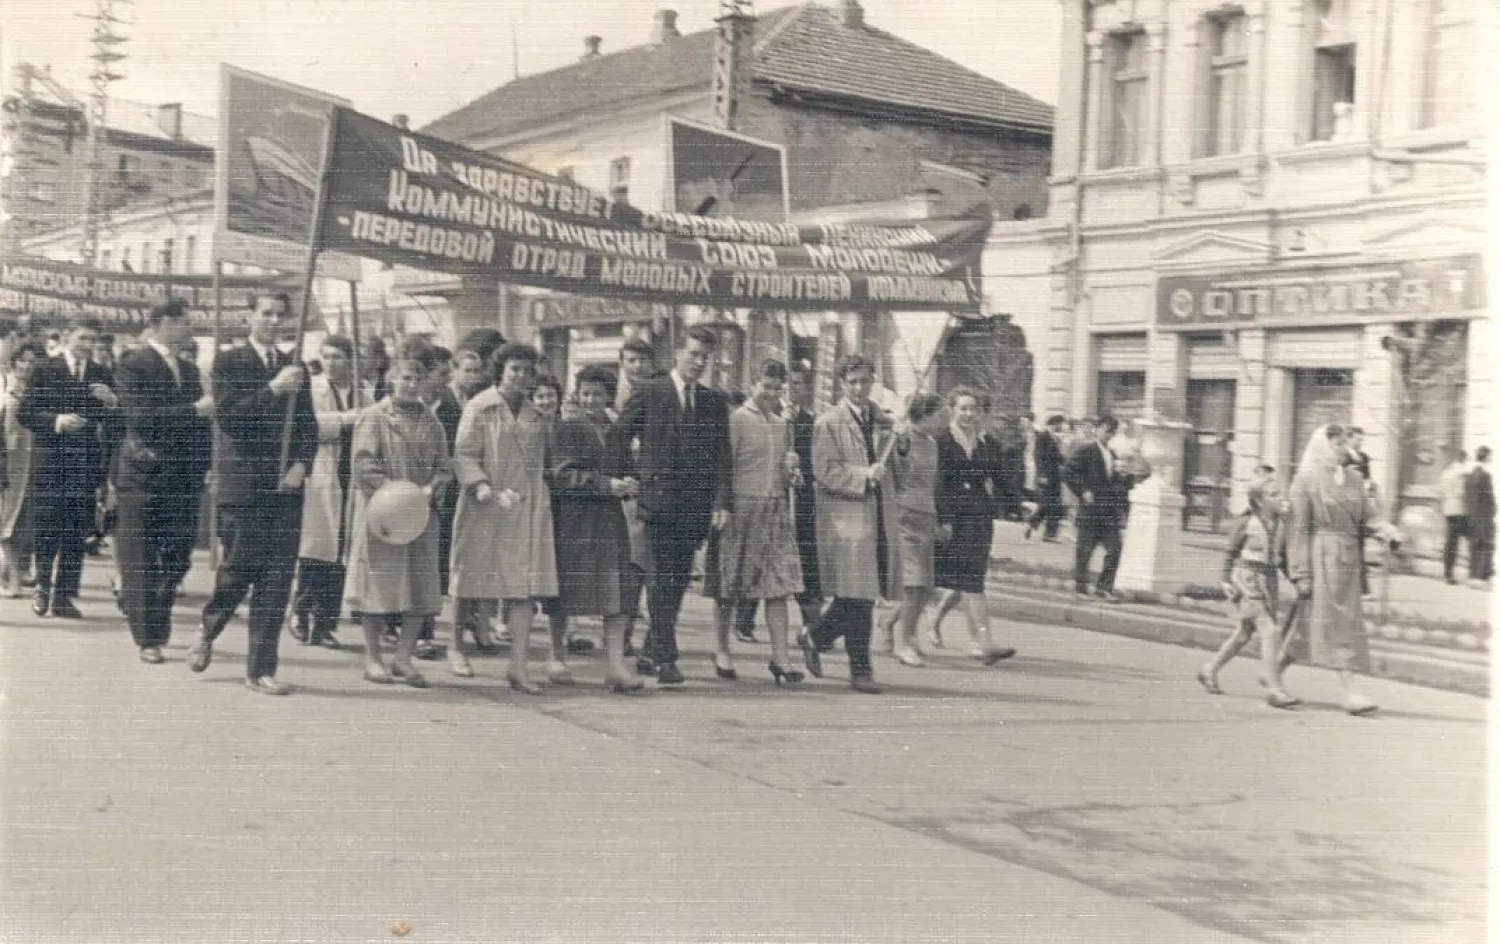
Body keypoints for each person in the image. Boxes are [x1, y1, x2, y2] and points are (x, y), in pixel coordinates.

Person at [189, 293, 318, 696]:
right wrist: (274, 390)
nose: (274, 321)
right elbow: (230, 417)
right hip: (244, 485)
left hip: (285, 487)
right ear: (250, 317)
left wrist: (301, 464)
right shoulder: (228, 362)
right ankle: (209, 627)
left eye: (281, 315)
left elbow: (307, 426)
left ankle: (260, 669)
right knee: (240, 569)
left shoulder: (296, 368)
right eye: (267, 314)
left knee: (278, 579)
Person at [617, 326, 731, 687]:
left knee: (677, 581)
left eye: (705, 357)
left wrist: (722, 502)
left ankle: (652, 651)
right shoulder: (651, 390)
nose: (698, 363)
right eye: (693, 354)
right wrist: (632, 478)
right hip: (656, 504)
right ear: (678, 352)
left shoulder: (713, 401)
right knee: (659, 580)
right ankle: (667, 658)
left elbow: (722, 457)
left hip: (695, 508)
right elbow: (618, 437)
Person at [450, 343, 558, 694]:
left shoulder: (534, 415)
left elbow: (539, 464)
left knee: (524, 588)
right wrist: (481, 485)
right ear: (501, 371)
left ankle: (518, 666)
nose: (521, 377)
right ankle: (457, 647)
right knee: (470, 578)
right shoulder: (480, 407)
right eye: (515, 370)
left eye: (527, 371)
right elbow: (464, 455)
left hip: (525, 508)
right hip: (485, 504)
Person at [112, 300, 214, 664]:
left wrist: (206, 466)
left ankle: (157, 616)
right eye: (183, 322)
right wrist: (194, 411)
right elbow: (141, 419)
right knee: (140, 558)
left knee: (177, 556)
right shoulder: (133, 363)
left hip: (184, 479)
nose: (188, 328)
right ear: (161, 323)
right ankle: (147, 637)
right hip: (144, 475)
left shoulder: (189, 370)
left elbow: (202, 430)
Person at [344, 351, 452, 687]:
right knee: (377, 585)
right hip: (383, 515)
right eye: (404, 377)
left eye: (417, 379)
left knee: (421, 588)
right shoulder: (374, 417)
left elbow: (444, 467)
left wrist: (433, 487)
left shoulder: (431, 421)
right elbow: (363, 464)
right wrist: (396, 492)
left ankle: (403, 658)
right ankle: (374, 658)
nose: (410, 385)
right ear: (392, 380)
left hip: (420, 516)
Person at [1285, 424, 1402, 715]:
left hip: (1349, 560)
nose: (1343, 449)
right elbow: (1297, 530)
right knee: (1334, 623)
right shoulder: (1306, 480)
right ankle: (1349, 692)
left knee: (1313, 625)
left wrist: (1386, 530)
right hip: (1321, 557)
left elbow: (1368, 517)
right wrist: (1300, 573)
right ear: (1323, 447)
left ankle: (1271, 671)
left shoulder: (1354, 478)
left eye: (1344, 444)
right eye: (1337, 444)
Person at [546, 364, 646, 694]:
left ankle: (615, 664)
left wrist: (631, 481)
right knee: (566, 587)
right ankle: (557, 654)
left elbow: (626, 467)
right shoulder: (567, 428)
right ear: (577, 394)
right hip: (575, 518)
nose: (591, 400)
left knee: (616, 590)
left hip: (609, 519)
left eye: (598, 394)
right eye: (585, 393)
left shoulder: (616, 429)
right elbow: (561, 475)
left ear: (608, 396)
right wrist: (606, 484)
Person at [799, 355, 895, 694]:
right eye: (852, 382)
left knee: (860, 594)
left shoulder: (880, 421)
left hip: (875, 516)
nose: (859, 388)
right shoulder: (829, 422)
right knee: (860, 595)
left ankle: (815, 634)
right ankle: (860, 669)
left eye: (865, 382)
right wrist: (863, 476)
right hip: (845, 517)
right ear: (842, 384)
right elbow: (824, 471)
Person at [19, 316, 120, 619]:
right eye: (82, 339)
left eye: (92, 340)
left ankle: (65, 594)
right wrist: (56, 421)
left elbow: (116, 424)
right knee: (48, 526)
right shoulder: (45, 368)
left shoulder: (101, 373)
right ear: (66, 337)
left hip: (85, 462)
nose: (88, 346)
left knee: (76, 530)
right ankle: (43, 586)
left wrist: (113, 402)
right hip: (50, 460)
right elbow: (26, 412)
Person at [710, 360, 805, 685]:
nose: (772, 393)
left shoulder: (782, 424)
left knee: (778, 586)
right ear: (754, 384)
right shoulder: (737, 420)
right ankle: (722, 648)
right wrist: (721, 505)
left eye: (778, 388)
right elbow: (724, 466)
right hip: (741, 508)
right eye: (766, 386)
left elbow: (785, 474)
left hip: (775, 509)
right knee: (730, 585)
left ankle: (780, 657)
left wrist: (792, 469)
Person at [929, 387, 1016, 663]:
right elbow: (938, 484)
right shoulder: (940, 441)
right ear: (952, 410)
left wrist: (1023, 503)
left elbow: (1002, 478)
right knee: (930, 582)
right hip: (952, 519)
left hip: (978, 518)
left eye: (973, 409)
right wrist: (942, 520)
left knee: (970, 580)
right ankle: (894, 622)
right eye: (963, 408)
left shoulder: (987, 443)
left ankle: (981, 643)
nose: (969, 414)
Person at [292, 335, 366, 649]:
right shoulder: (312, 389)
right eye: (326, 356)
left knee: (340, 556)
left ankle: (326, 622)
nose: (330, 363)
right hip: (323, 473)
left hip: (352, 476)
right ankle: (301, 612)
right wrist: (348, 420)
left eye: (337, 356)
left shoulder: (364, 392)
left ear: (351, 359)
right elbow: (308, 426)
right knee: (316, 551)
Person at [1197, 484, 1296, 706]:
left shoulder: (1280, 524)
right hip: (1247, 578)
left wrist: (1295, 580)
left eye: (1281, 493)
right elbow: (1230, 552)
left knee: (1244, 633)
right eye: (1274, 494)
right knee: (1269, 630)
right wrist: (1225, 580)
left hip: (1268, 580)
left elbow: (1282, 558)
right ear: (1260, 501)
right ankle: (1274, 688)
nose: (1282, 497)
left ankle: (1209, 669)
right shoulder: (1246, 522)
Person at [883, 395, 950, 668]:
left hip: (925, 516)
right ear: (924, 415)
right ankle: (906, 642)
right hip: (903, 516)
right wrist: (896, 440)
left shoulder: (933, 444)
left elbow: (933, 485)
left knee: (926, 587)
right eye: (940, 415)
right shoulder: (901, 438)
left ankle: (889, 622)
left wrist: (937, 521)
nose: (945, 421)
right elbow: (890, 472)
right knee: (913, 585)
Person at [613, 338, 659, 660]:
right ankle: (622, 633)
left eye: (643, 360)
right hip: (623, 493)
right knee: (627, 570)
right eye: (631, 360)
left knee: (648, 569)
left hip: (653, 493)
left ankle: (653, 639)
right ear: (622, 363)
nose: (637, 366)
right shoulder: (610, 400)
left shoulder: (660, 395)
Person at [1064, 416, 1141, 602]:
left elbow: (1114, 483)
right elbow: (1068, 471)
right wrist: (1082, 491)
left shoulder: (1111, 454)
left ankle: (1104, 587)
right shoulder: (1086, 450)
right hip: (1090, 511)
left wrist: (1123, 477)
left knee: (1115, 549)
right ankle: (1080, 588)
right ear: (1097, 429)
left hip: (1108, 512)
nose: (1108, 435)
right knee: (1084, 551)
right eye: (1106, 430)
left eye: (1112, 432)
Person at [0, 342, 42, 597]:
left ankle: (16, 573)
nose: (27, 365)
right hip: (6, 461)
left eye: (32, 361)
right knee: (7, 519)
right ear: (15, 362)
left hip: (33, 462)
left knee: (24, 523)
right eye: (23, 360)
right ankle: (13, 576)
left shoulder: (39, 389)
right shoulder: (4, 384)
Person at [786, 366, 824, 635]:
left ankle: (811, 619)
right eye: (789, 384)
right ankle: (745, 616)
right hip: (774, 494)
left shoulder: (812, 420)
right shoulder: (774, 416)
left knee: (807, 555)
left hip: (804, 495)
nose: (793, 389)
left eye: (799, 384)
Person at [1025, 414, 1068, 542]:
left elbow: (1058, 457)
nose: (1060, 426)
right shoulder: (1043, 437)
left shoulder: (1054, 438)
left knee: (1052, 504)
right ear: (1052, 424)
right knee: (1048, 504)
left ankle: (1040, 528)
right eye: (1058, 424)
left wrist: (1069, 464)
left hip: (1055, 476)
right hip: (1046, 476)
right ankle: (1046, 531)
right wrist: (1041, 475)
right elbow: (1038, 456)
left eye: (1060, 424)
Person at [1439, 449, 1472, 586]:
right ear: (1463, 459)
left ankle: (1447, 573)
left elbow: (1440, 491)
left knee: (1451, 542)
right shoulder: (1462, 473)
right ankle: (1474, 573)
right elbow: (1462, 492)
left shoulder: (1446, 472)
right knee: (1469, 538)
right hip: (1460, 509)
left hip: (1448, 509)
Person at [1465, 447, 1494, 586]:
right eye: (1490, 456)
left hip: (1471, 516)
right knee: (1484, 546)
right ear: (1486, 457)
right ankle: (1479, 578)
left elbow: (1467, 497)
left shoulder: (1470, 476)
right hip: (1483, 517)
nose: (1491, 458)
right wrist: (1493, 511)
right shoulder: (1485, 476)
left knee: (1473, 546)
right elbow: (1489, 498)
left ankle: (1472, 576)